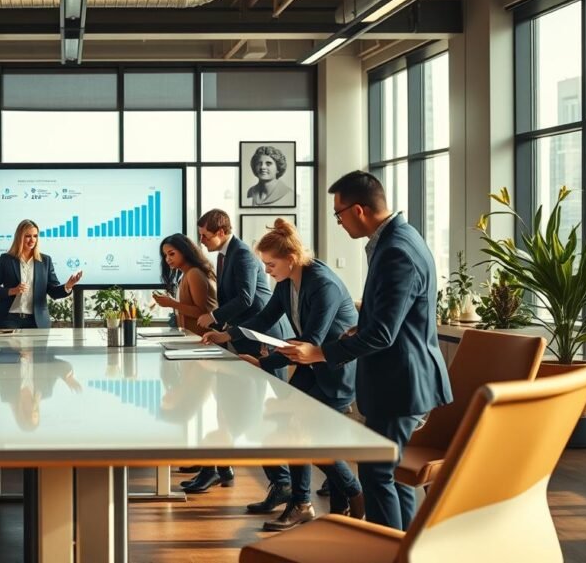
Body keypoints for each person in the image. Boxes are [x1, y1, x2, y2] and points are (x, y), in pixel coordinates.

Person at [279, 171, 452, 531]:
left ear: (358, 210)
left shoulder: (396, 251)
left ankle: (385, 549)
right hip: (399, 378)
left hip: (401, 381)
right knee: (391, 473)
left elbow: (385, 334)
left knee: (376, 474)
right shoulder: (397, 240)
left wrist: (321, 353)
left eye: (338, 213)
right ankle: (401, 548)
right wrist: (362, 325)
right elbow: (392, 318)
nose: (338, 222)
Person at [201, 219, 363, 531]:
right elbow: (265, 317)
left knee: (310, 437)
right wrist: (228, 335)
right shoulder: (288, 281)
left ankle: (352, 492)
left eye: (270, 264)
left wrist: (264, 362)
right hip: (309, 366)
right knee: (293, 430)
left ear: (290, 259)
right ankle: (306, 501)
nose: (266, 271)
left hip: (335, 370)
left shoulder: (323, 284)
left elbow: (311, 341)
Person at [188, 209, 293, 497]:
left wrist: (214, 316)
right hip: (241, 335)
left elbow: (247, 298)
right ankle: (221, 468)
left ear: (221, 231)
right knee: (233, 408)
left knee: (266, 414)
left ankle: (284, 483)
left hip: (261, 338)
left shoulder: (243, 254)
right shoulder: (225, 255)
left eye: (205, 235)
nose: (202, 241)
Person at [0, 219, 83, 329]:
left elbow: (53, 291)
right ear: (19, 237)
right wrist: (12, 291)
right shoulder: (6, 259)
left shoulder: (45, 261)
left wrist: (68, 285)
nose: (32, 240)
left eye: (35, 236)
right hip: (9, 320)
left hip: (37, 321)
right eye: (28, 236)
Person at [151, 233, 218, 337]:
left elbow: (203, 312)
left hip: (204, 340)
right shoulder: (185, 275)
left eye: (171, 254)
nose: (167, 259)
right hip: (194, 338)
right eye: (165, 255)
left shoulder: (194, 273)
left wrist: (172, 303)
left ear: (185, 251)